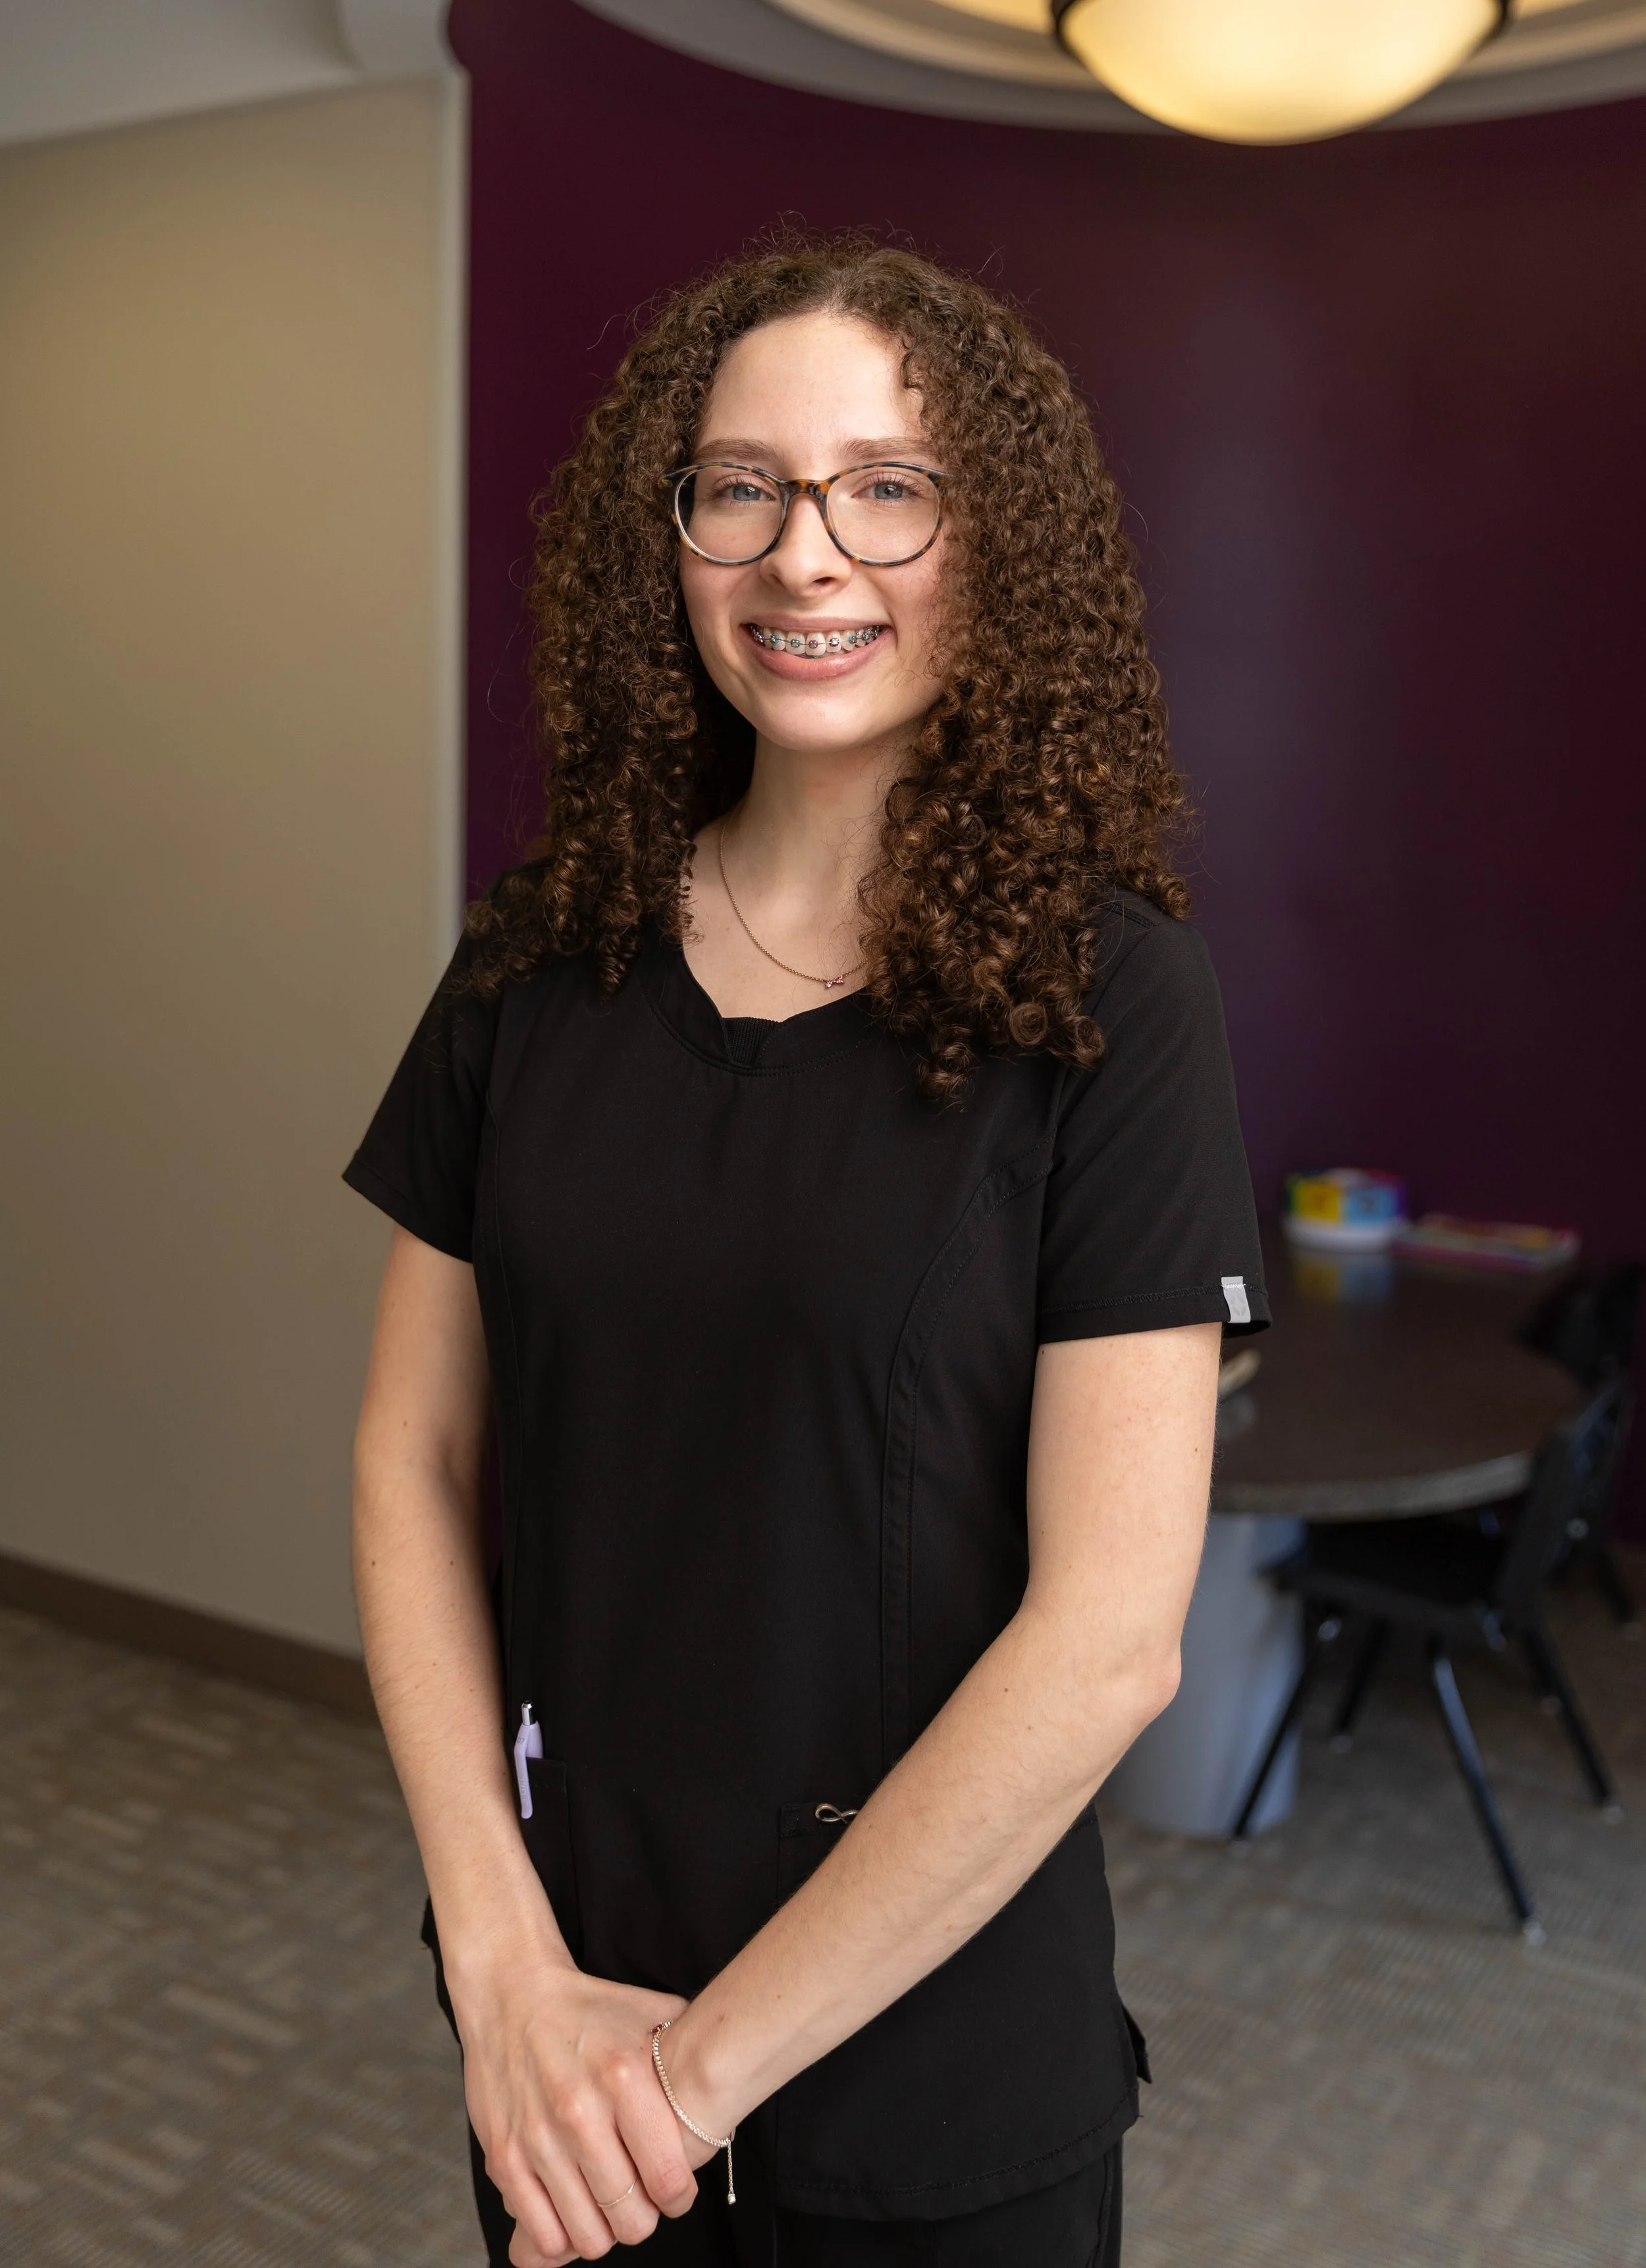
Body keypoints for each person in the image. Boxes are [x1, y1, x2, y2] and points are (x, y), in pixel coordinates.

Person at [346, 233, 1267, 2268]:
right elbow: (414, 1458)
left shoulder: (1115, 994)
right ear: (664, 541)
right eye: (737, 485)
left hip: (917, 2058)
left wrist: (679, 2088)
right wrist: (499, 1967)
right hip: (561, 2013)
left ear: (989, 538)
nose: (802, 556)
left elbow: (1111, 1632)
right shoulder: (535, 952)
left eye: (886, 487)